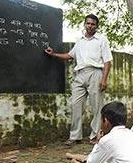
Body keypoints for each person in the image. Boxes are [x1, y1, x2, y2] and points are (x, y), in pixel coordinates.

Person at [44, 14, 113, 145]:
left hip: (95, 73)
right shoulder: (79, 41)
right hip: (80, 74)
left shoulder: (101, 40)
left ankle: (94, 136)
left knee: (97, 107)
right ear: (84, 24)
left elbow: (107, 61)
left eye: (93, 24)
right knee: (76, 105)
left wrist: (104, 79)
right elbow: (70, 55)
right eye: (88, 23)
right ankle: (75, 136)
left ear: (96, 26)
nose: (90, 26)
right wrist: (53, 54)